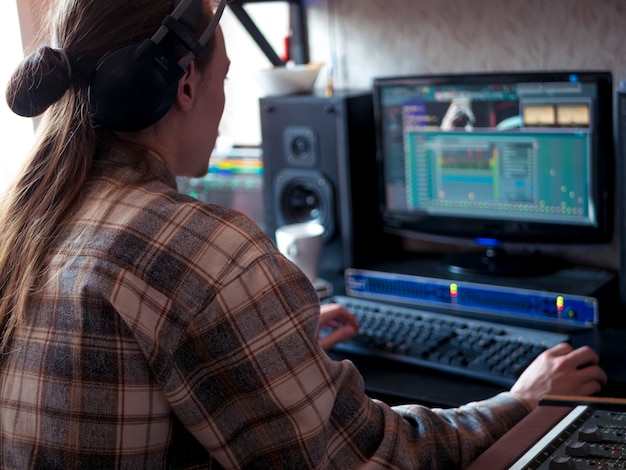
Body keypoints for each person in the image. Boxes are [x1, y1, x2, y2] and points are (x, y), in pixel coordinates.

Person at [0, 0, 607, 468]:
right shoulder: (203, 251)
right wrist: (523, 399)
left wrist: (271, 338)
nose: (223, 96)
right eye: (225, 78)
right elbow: (367, 457)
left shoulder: (33, 221)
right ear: (184, 84)